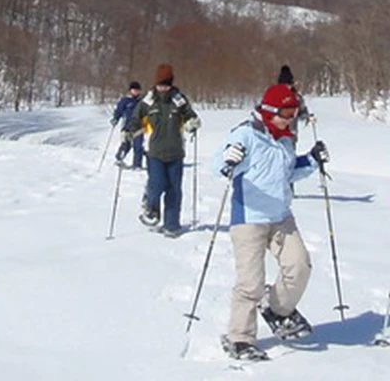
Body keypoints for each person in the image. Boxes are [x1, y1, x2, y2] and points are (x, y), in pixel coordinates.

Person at [212, 83, 329, 362]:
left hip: (280, 216)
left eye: (293, 112)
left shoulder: (285, 139)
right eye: (285, 112)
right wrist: (228, 160)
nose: (290, 118)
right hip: (249, 218)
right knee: (251, 283)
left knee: (299, 266)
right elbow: (218, 162)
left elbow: (288, 172)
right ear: (268, 111)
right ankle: (240, 337)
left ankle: (277, 309)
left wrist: (312, 160)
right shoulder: (246, 133)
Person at [122, 64, 200, 238]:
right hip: (154, 152)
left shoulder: (179, 100)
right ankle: (150, 205)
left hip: (176, 153)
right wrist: (128, 132)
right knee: (157, 184)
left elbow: (190, 116)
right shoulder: (148, 101)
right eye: (160, 84)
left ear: (171, 84)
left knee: (174, 189)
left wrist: (193, 123)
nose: (162, 88)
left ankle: (171, 225)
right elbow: (136, 119)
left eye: (166, 84)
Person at [110, 81, 144, 168]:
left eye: (137, 90)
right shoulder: (125, 100)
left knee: (138, 146)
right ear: (130, 90)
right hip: (127, 127)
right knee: (126, 145)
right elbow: (119, 111)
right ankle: (119, 159)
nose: (136, 92)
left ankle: (137, 165)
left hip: (139, 127)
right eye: (134, 90)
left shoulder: (142, 101)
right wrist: (115, 118)